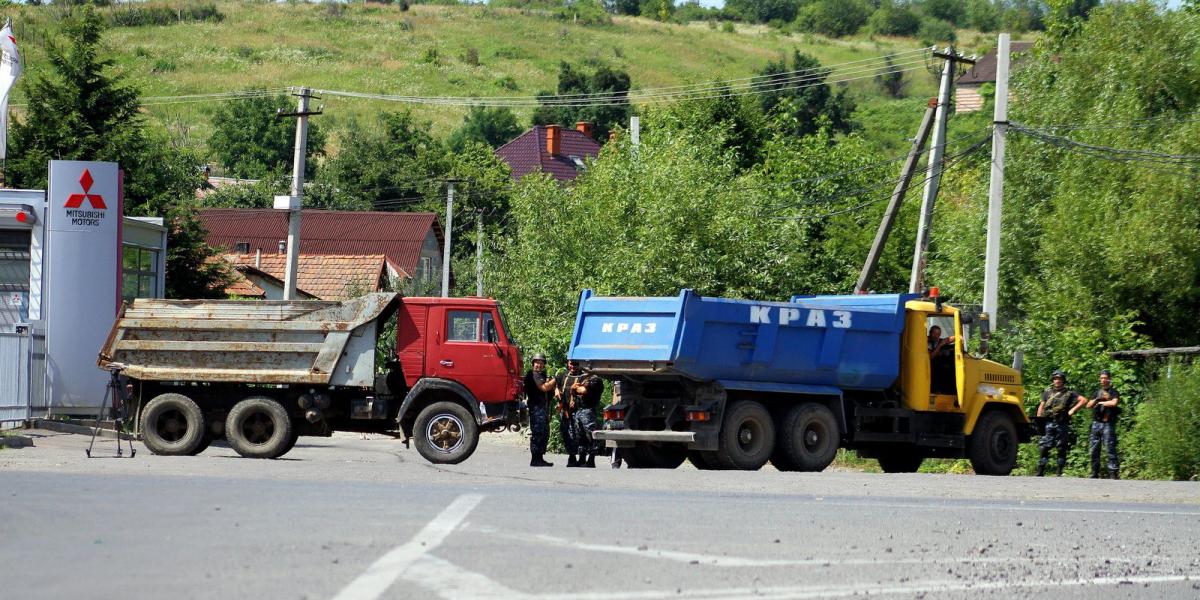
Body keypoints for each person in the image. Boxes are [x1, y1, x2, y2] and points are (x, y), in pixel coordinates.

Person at [1036, 369, 1086, 477]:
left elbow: (1083, 400)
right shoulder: (1047, 393)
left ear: (1063, 380)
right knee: (1044, 447)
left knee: (1061, 447)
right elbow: (1041, 406)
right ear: (1053, 380)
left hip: (1062, 423)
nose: (1057, 381)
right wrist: (1039, 419)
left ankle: (1059, 471)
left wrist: (1073, 410)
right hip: (1048, 423)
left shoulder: (1069, 393)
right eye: (1055, 379)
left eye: (1059, 379)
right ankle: (1040, 471)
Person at [557, 359, 603, 468]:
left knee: (591, 436)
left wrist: (575, 388)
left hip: (588, 411)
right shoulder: (583, 378)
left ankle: (591, 460)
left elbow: (583, 390)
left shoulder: (595, 379)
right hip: (580, 411)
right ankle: (582, 459)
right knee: (581, 436)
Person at [1086, 369, 1121, 479]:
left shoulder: (1113, 392)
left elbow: (1114, 402)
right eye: (1101, 378)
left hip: (1107, 423)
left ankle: (1113, 472)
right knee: (1094, 449)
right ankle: (1094, 471)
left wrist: (1103, 402)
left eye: (1105, 378)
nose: (1103, 380)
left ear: (1109, 379)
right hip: (1096, 423)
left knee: (1110, 447)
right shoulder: (1097, 392)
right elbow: (1088, 405)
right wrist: (1097, 399)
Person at [523, 353, 556, 467]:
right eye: (537, 363)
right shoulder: (532, 374)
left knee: (544, 433)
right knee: (537, 433)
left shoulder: (542, 375)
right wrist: (555, 380)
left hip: (544, 408)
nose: (539, 365)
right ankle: (535, 458)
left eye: (541, 363)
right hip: (536, 408)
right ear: (533, 364)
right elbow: (544, 387)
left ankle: (540, 458)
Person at [927, 325, 955, 394]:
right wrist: (940, 345)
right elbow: (931, 356)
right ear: (930, 333)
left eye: (938, 334)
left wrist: (958, 337)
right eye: (934, 333)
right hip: (929, 366)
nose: (936, 336)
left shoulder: (939, 340)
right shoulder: (927, 341)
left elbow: (948, 340)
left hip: (939, 367)